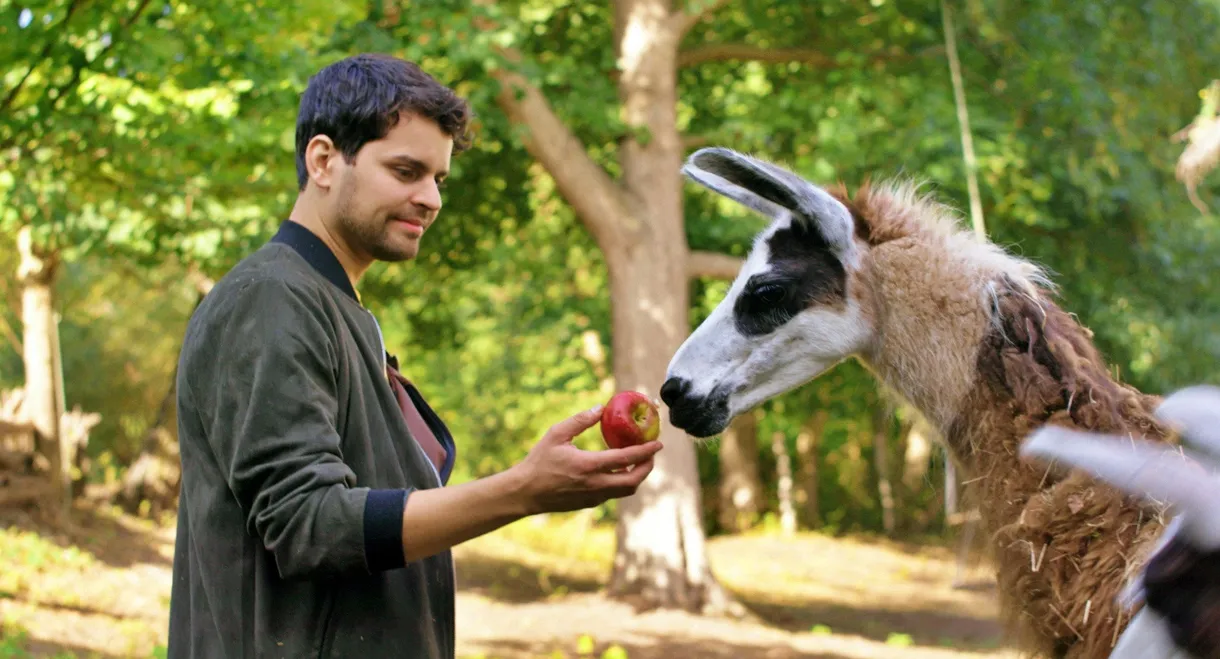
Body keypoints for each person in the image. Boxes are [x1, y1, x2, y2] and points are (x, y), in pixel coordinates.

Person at [166, 53, 663, 659]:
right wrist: (522, 491)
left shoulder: (332, 305)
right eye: (406, 171)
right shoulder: (270, 298)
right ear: (323, 161)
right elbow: (308, 525)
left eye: (438, 179)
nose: (430, 199)